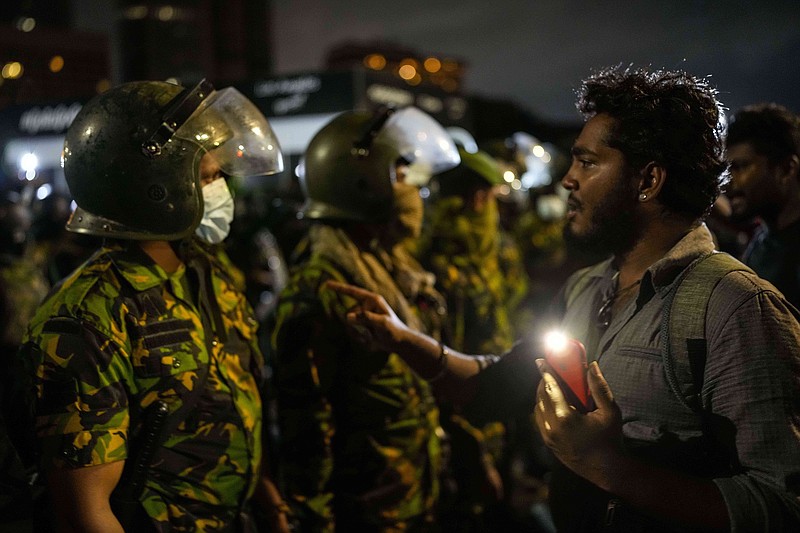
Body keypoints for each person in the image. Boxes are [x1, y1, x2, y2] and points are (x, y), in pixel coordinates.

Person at [326, 66, 800, 532]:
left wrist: (604, 466)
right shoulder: (587, 287)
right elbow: (496, 386)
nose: (567, 180)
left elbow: (782, 504)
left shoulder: (735, 308)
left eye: (588, 162)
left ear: (648, 181)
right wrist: (401, 337)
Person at [11, 79, 291, 532]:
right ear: (156, 189)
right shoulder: (85, 319)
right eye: (208, 176)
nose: (222, 190)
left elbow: (232, 404)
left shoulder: (209, 275)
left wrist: (269, 504)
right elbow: (86, 511)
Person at [270, 106, 460, 531]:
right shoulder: (323, 291)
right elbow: (307, 429)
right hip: (366, 513)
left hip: (412, 497)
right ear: (362, 184)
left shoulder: (393, 268)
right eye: (398, 175)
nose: (410, 189)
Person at [725, 103, 800, 308]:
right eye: (726, 170)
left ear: (786, 169)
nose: (727, 182)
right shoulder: (761, 245)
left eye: (740, 167)